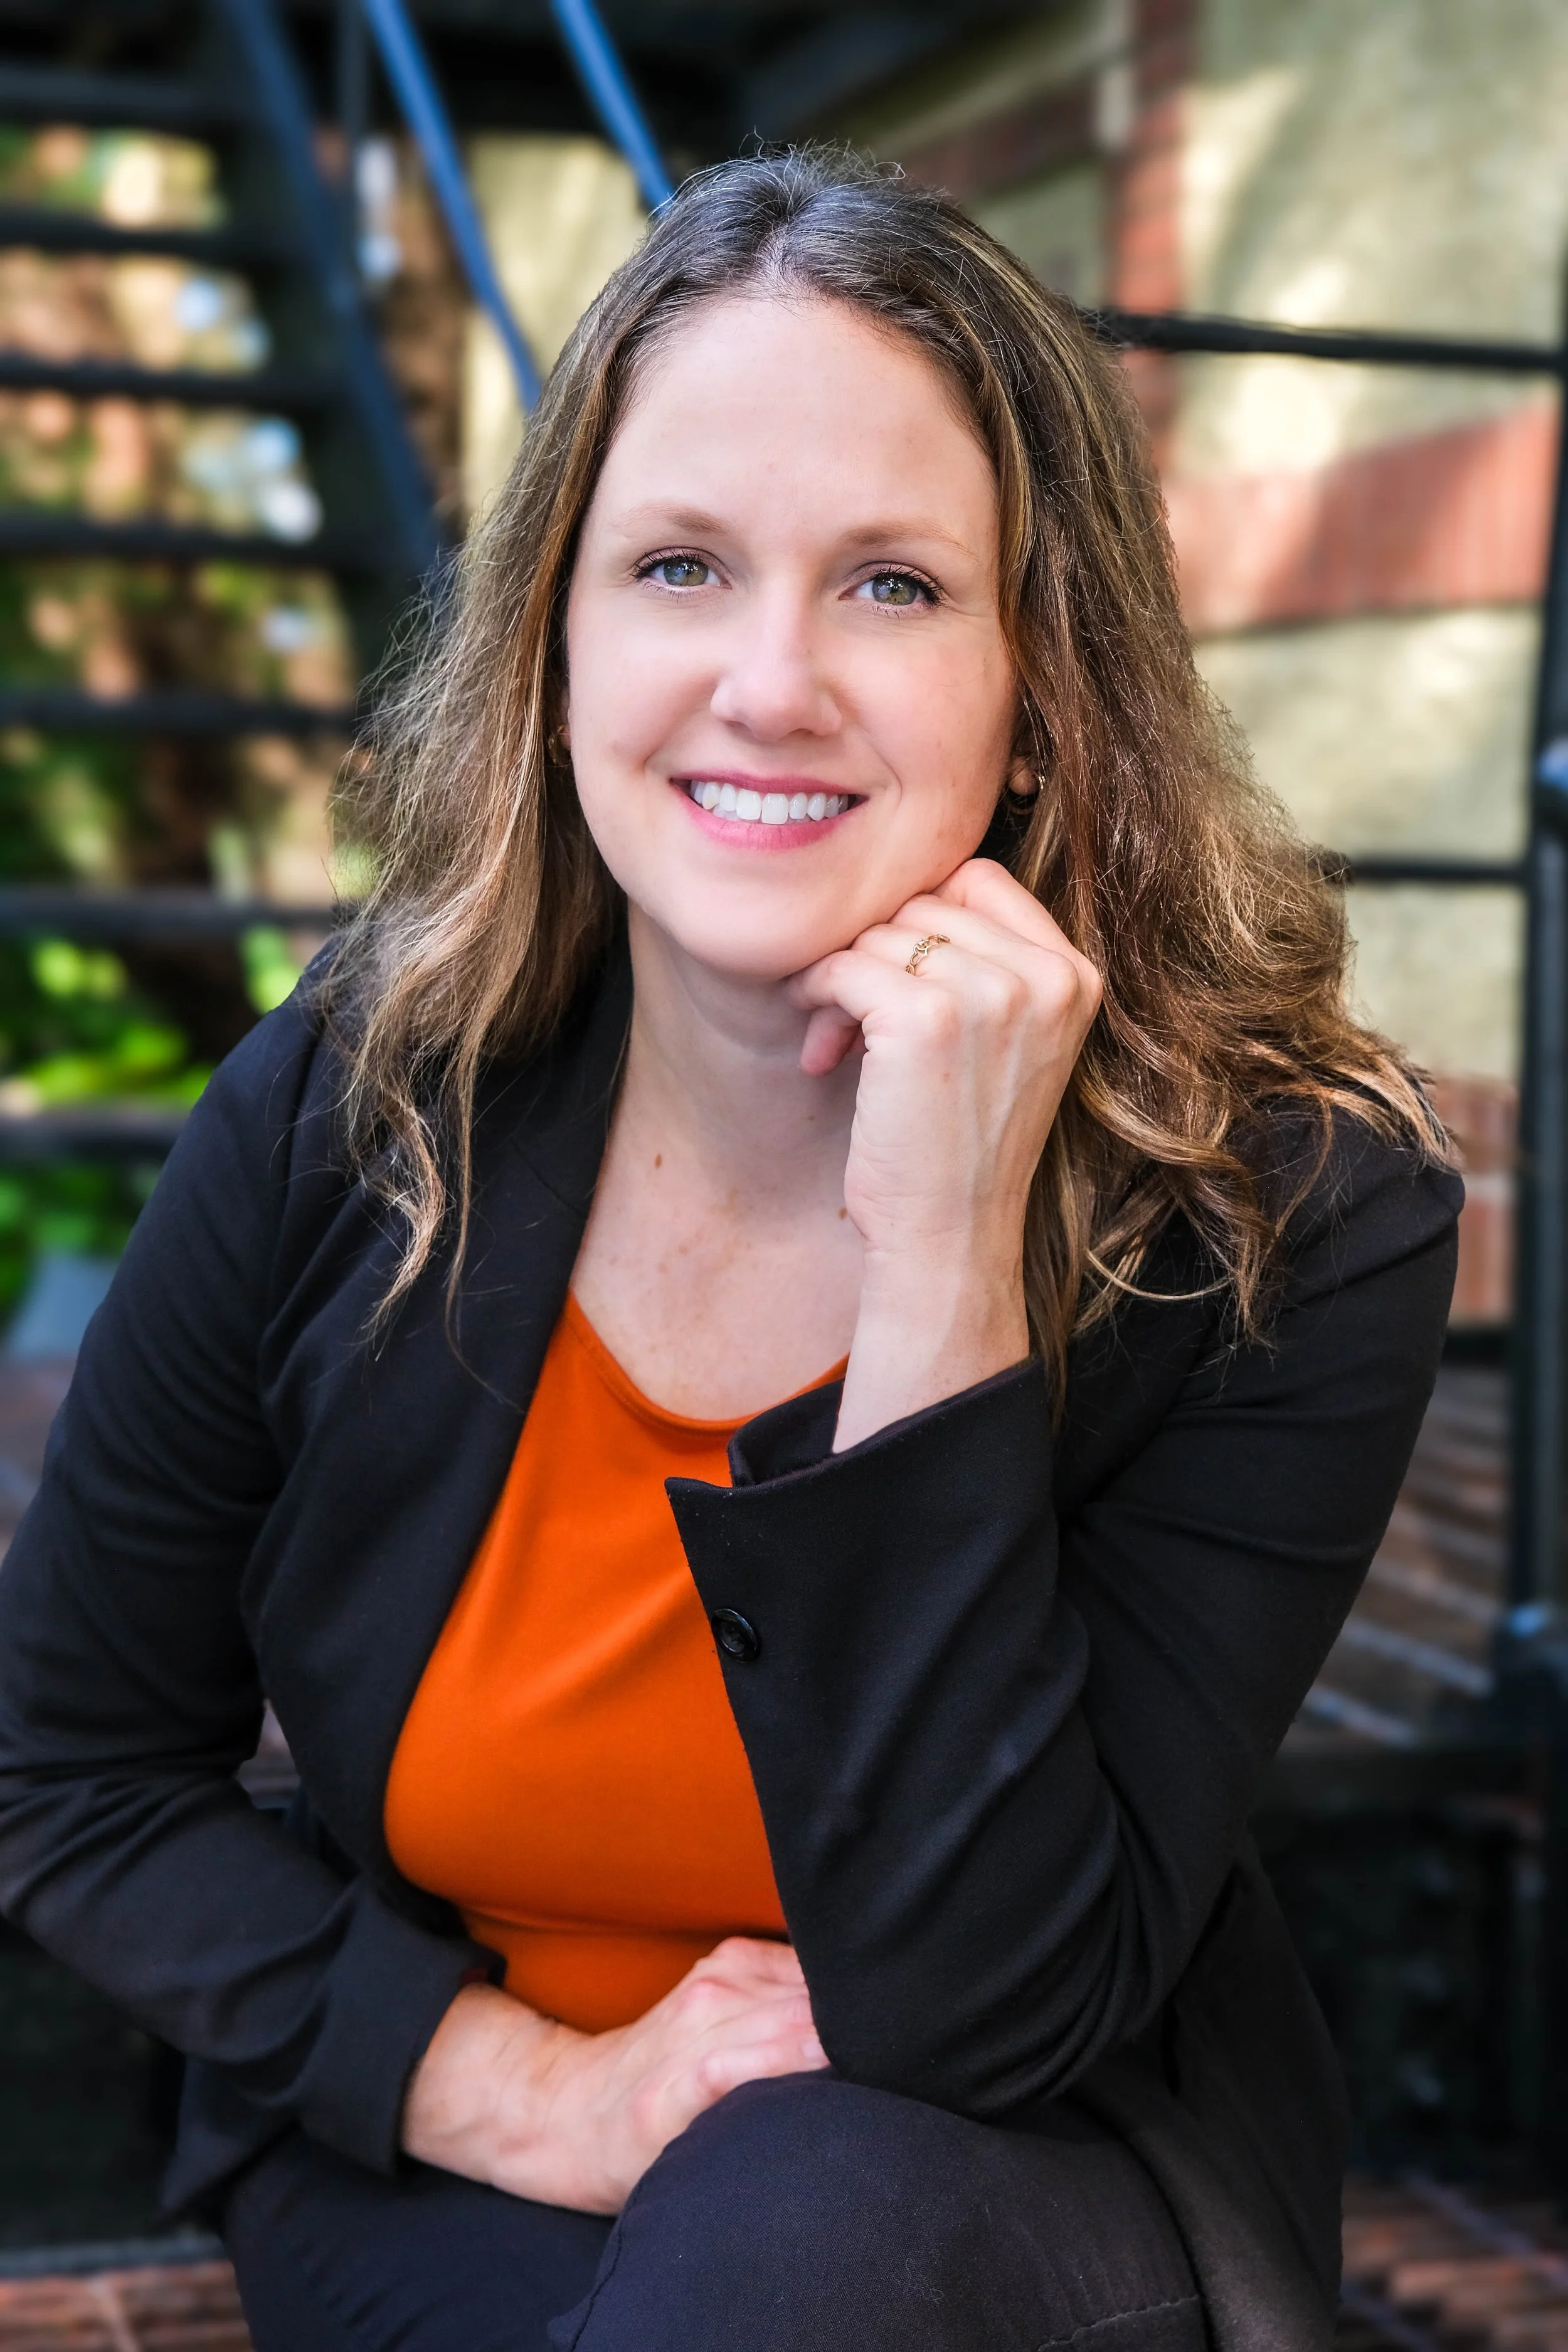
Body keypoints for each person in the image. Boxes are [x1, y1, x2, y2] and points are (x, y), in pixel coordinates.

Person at [0, 149, 1458, 2352]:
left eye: (890, 585)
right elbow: (67, 1774)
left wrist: (942, 1261)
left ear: (1039, 675)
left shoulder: (1290, 1212)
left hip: (1004, 2183)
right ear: (557, 638)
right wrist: (537, 2089)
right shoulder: (357, 1107)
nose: (769, 682)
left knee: (802, 2221)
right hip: (471, 2157)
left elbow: (983, 2005)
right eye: (681, 564)